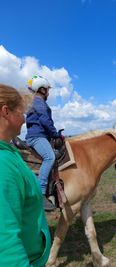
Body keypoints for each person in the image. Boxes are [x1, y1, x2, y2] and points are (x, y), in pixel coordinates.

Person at [0, 84, 51, 266]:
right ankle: (45, 188)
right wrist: (53, 133)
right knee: (50, 156)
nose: (23, 120)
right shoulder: (3, 165)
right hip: (28, 260)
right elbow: (5, 244)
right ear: (6, 112)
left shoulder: (10, 152)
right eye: (21, 113)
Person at [25, 75, 62, 211]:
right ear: (41, 89)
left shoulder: (35, 101)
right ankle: (41, 192)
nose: (48, 92)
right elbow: (45, 120)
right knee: (50, 157)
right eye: (47, 89)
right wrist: (55, 134)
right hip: (37, 137)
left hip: (39, 135)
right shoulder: (39, 102)